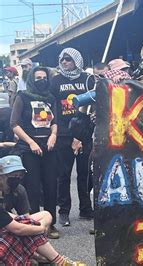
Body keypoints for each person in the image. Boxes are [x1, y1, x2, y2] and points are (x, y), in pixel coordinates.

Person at [0, 155, 82, 265]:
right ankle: (58, 261)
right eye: (13, 175)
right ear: (2, 176)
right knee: (27, 227)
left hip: (7, 226)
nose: (17, 178)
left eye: (19, 175)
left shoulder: (19, 190)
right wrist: (40, 229)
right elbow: (17, 228)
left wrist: (33, 227)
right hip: (6, 230)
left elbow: (25, 218)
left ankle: (37, 252)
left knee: (45, 215)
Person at [10, 67, 60, 239]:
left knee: (51, 186)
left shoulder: (51, 98)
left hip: (49, 146)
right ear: (32, 79)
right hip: (29, 148)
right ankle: (35, 225)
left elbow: (54, 121)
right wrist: (30, 142)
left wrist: (53, 135)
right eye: (38, 77)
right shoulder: (22, 96)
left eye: (44, 77)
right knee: (32, 187)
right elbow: (14, 123)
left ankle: (50, 224)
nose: (42, 80)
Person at [50, 48, 95, 227]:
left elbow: (93, 107)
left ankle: (85, 208)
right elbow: (53, 110)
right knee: (64, 175)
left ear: (77, 60)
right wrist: (70, 136)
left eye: (68, 59)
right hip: (63, 135)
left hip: (85, 135)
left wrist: (82, 135)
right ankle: (64, 211)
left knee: (85, 174)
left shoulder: (87, 79)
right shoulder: (55, 81)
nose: (65, 62)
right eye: (62, 59)